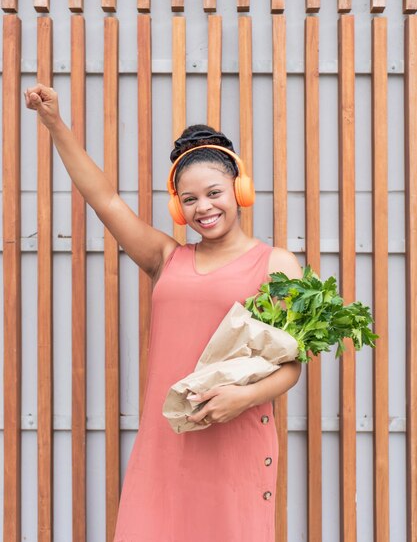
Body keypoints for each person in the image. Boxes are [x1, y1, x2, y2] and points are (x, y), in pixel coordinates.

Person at [25, 84, 302, 542]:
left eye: (214, 193)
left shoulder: (277, 264)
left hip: (236, 435)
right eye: (189, 199)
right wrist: (54, 122)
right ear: (177, 206)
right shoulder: (165, 258)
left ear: (240, 189)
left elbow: (291, 364)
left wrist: (240, 399)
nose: (203, 208)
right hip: (166, 440)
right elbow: (105, 200)